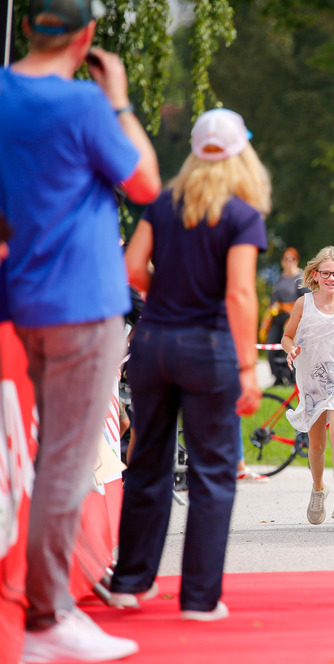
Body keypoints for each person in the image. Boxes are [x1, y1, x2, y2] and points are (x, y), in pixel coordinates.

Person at [1, 0, 161, 663]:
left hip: (20, 297)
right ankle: (47, 614)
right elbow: (146, 183)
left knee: (39, 458)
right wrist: (118, 97)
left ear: (27, 26)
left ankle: (38, 605)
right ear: (88, 36)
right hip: (83, 300)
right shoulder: (84, 104)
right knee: (66, 462)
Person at [108, 108, 267, 623]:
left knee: (147, 462)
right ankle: (199, 598)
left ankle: (129, 583)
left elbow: (132, 268)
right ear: (242, 152)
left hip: (154, 344)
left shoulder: (163, 204)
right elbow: (240, 293)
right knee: (213, 471)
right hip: (208, 348)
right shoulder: (242, 214)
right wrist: (248, 368)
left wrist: (169, 294)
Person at [281, 247, 334, 524]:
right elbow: (287, 336)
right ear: (315, 274)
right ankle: (318, 489)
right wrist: (290, 350)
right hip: (312, 380)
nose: (331, 278)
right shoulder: (303, 303)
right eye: (326, 273)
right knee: (316, 444)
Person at [263, 247, 304, 386]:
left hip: (293, 318)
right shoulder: (280, 278)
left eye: (292, 259)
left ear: (296, 261)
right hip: (278, 317)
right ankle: (278, 377)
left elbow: (305, 299)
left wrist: (293, 309)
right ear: (282, 261)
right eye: (286, 259)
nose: (289, 262)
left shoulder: (301, 278)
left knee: (290, 348)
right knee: (271, 346)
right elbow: (274, 298)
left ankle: (292, 377)